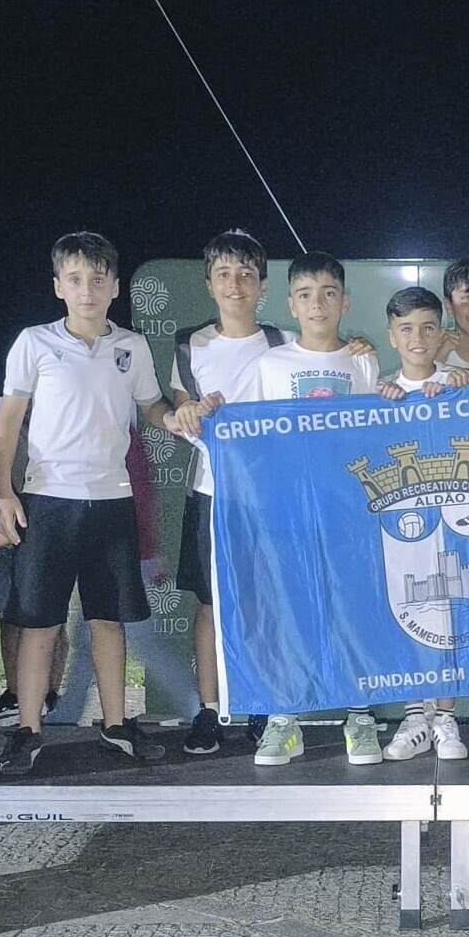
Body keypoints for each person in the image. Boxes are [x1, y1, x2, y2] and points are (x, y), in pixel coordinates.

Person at [0, 231, 176, 777]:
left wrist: (179, 418)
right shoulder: (34, 342)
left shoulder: (132, 347)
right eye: (75, 279)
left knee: (108, 621)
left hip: (112, 501)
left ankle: (116, 725)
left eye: (98, 279)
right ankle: (28, 729)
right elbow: (7, 423)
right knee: (40, 624)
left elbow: (153, 407)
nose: (87, 290)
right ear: (58, 287)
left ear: (115, 286)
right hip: (48, 501)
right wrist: (5, 492)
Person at [249, 252, 383, 767]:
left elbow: (375, 432)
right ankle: (284, 719)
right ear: (291, 304)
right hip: (289, 511)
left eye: (328, 293)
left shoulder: (363, 361)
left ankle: (360, 716)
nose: (317, 304)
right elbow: (252, 437)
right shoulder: (272, 364)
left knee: (353, 611)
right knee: (289, 610)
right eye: (305, 295)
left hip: (349, 511)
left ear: (345, 302)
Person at [165, 229, 294, 756]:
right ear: (209, 284)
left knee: (265, 605)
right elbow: (180, 413)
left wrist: (357, 351)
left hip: (270, 498)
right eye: (224, 274)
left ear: (263, 285)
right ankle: (209, 710)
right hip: (212, 494)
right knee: (211, 606)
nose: (235, 284)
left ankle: (264, 705)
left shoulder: (286, 343)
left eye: (246, 274)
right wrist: (188, 413)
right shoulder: (189, 345)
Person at [375, 285, 469, 761]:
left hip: (456, 521)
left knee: (450, 611)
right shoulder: (377, 393)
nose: (417, 339)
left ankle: (446, 717)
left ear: (441, 334)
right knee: (409, 608)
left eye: (428, 328)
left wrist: (463, 390)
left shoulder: (462, 384)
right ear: (392, 336)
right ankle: (416, 716)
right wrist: (382, 408)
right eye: (406, 329)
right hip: (403, 524)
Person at [0, 413, 65, 723]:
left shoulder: (61, 437)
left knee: (54, 619)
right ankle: (14, 691)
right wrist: (11, 502)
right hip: (13, 542)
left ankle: (51, 691)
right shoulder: (5, 443)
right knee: (10, 617)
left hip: (52, 542)